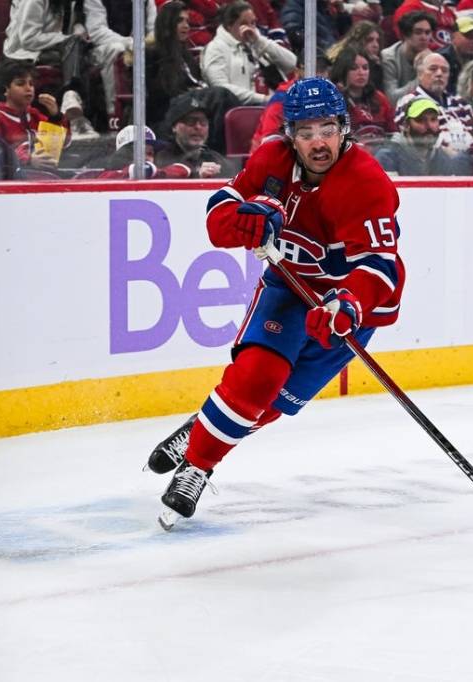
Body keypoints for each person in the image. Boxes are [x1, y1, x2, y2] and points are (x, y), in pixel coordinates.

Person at [148, 77, 405, 526]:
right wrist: (240, 221)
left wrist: (347, 304)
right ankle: (197, 466)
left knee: (273, 404)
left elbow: (380, 267)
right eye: (305, 132)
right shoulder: (272, 159)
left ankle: (199, 429)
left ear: (344, 128)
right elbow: (218, 215)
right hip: (289, 286)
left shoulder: (367, 183)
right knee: (256, 380)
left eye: (326, 128)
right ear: (290, 135)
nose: (317, 142)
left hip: (349, 311)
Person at [201, 1, 297, 105]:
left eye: (253, 23)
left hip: (271, 105)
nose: (250, 28)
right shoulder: (216, 48)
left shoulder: (257, 43)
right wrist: (264, 99)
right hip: (240, 109)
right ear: (229, 25)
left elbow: (291, 63)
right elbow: (221, 88)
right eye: (243, 23)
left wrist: (259, 41)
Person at [374, 95, 472, 174]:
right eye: (420, 120)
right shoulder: (388, 156)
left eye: (433, 119)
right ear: (406, 125)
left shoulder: (441, 157)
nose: (429, 126)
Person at [155, 90, 235, 177]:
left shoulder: (219, 161)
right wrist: (197, 176)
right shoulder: (161, 159)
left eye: (203, 122)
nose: (198, 127)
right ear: (174, 127)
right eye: (190, 121)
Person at [329, 47, 395, 147]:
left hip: (380, 153)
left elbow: (393, 132)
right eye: (354, 68)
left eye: (365, 68)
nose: (361, 73)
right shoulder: (332, 99)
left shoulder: (379, 98)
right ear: (342, 71)